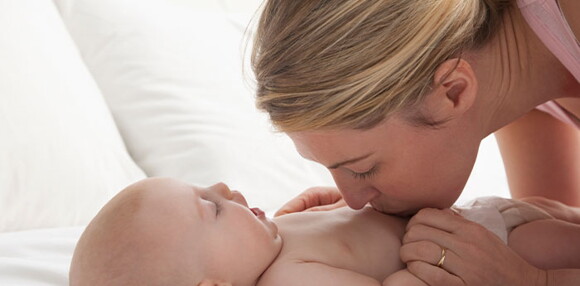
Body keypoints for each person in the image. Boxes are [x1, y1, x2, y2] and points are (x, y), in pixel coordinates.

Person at [250, 0, 579, 285]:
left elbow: (543, 269)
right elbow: (562, 242)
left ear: (453, 91)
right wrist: (373, 239)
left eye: (364, 168)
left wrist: (532, 282)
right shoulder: (517, 77)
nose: (351, 201)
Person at [69, 177, 580, 285]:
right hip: (491, 251)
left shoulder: (272, 241)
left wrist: (336, 207)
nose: (229, 189)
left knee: (564, 213)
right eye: (213, 209)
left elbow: (349, 230)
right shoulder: (287, 282)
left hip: (479, 215)